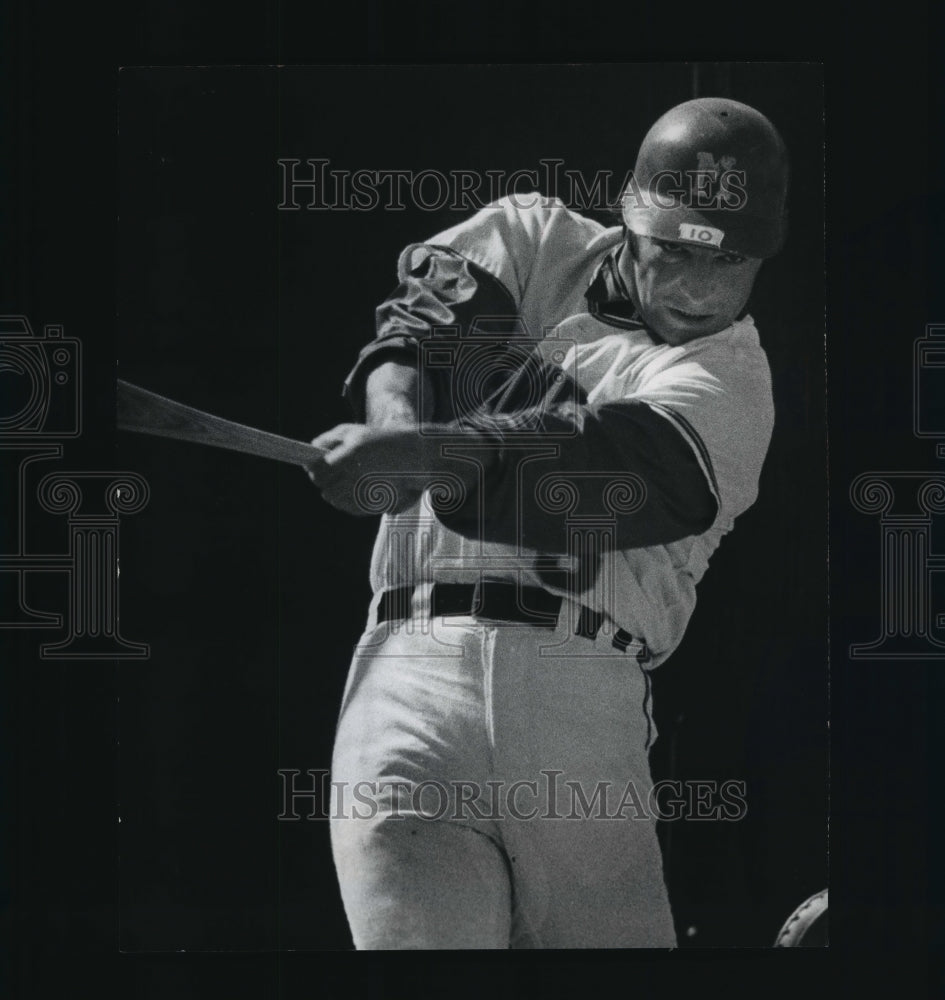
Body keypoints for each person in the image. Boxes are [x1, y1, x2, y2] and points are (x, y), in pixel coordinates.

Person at [305, 96, 789, 949]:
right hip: (402, 674)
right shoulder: (532, 236)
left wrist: (425, 454)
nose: (695, 287)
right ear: (629, 215)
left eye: (729, 259)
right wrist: (388, 429)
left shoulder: (731, 383)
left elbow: (587, 473)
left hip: (575, 689)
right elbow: (416, 331)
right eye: (672, 248)